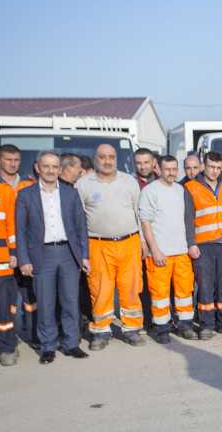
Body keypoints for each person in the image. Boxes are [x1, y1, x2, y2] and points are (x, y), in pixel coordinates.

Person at [16, 151, 90, 363]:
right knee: (46, 302)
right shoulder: (26, 195)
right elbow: (21, 231)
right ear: (38, 167)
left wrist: (84, 255)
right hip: (42, 255)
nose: (50, 170)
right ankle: (48, 346)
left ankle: (71, 343)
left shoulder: (70, 193)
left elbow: (80, 227)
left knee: (70, 301)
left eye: (54, 167)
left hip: (68, 253)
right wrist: (24, 259)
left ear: (60, 169)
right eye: (46, 166)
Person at [76, 144, 147, 350]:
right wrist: (83, 252)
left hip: (129, 242)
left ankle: (132, 329)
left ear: (116, 159)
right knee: (100, 289)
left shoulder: (129, 181)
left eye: (111, 157)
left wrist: (143, 242)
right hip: (97, 245)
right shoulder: (83, 184)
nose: (107, 161)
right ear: (95, 158)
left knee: (131, 287)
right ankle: (100, 331)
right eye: (103, 157)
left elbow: (139, 213)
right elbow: (78, 220)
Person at [184, 152, 222, 339]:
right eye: (211, 167)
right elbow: (188, 219)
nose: (215, 171)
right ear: (204, 166)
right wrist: (191, 243)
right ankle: (207, 325)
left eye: (218, 168)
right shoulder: (191, 187)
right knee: (205, 286)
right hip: (203, 245)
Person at [139, 155, 197, 343]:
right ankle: (162, 328)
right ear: (159, 169)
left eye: (174, 169)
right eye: (167, 169)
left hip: (181, 251)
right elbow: (145, 222)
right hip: (161, 252)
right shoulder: (150, 191)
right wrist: (154, 249)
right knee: (160, 293)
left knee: (184, 292)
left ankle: (185, 325)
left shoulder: (181, 190)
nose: (171, 173)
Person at [0, 145, 38, 343]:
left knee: (32, 300)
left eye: (16, 160)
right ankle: (6, 346)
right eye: (8, 159)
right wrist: (10, 252)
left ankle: (35, 337)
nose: (13, 164)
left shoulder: (28, 185)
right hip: (2, 257)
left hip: (28, 254)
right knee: (3, 304)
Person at [0, 177, 18, 366]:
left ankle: (6, 348)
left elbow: (12, 225)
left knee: (3, 308)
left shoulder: (5, 191)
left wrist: (13, 252)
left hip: (1, 261)